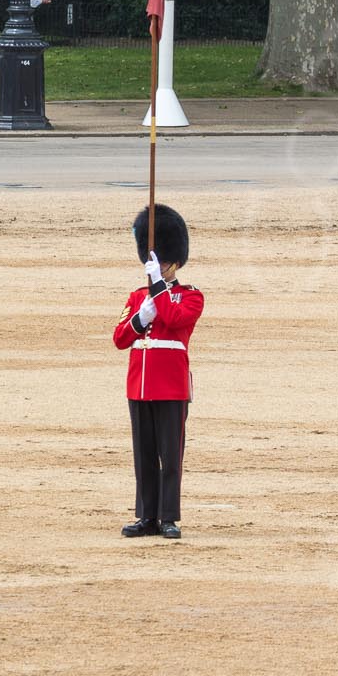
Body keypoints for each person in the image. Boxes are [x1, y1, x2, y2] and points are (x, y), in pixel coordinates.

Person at [113, 204, 203, 540]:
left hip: (171, 385)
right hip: (140, 384)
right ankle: (147, 516)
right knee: (145, 456)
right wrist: (140, 318)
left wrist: (156, 289)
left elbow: (175, 319)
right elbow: (120, 338)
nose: (159, 266)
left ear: (175, 262)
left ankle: (168, 517)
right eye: (155, 261)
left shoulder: (190, 296)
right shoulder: (138, 297)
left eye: (163, 261)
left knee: (170, 457)